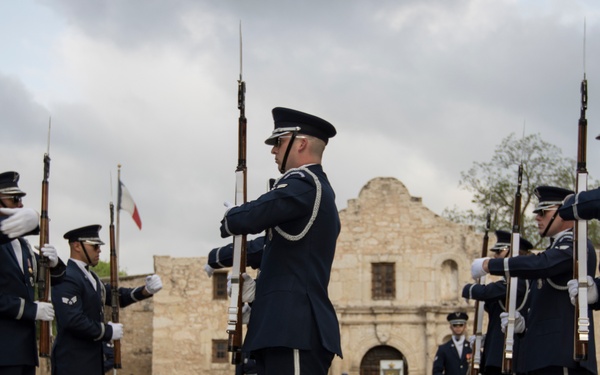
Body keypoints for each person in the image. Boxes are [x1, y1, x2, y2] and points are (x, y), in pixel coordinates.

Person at [218, 107, 342, 374]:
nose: (273, 150)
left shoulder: (305, 183)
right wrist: (260, 294)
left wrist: (232, 216)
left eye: (279, 142)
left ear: (301, 143)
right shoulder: (308, 186)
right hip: (283, 326)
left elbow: (251, 217)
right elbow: (290, 259)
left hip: (294, 326)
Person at [471, 186, 597, 375]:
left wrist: (491, 265)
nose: (537, 217)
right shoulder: (555, 249)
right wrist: (523, 325)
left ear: (563, 212)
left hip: (561, 356)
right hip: (541, 357)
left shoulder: (576, 245)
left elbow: (542, 264)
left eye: (543, 212)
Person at [51, 224, 163, 375]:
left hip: (91, 363)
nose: (99, 250)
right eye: (95, 246)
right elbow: (72, 320)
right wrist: (107, 331)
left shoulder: (92, 278)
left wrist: (145, 290)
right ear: (77, 246)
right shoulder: (67, 276)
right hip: (73, 363)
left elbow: (117, 296)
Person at [0, 171, 66, 375]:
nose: (20, 205)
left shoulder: (24, 246)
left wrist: (54, 264)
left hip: (24, 351)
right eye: (14, 199)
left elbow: (53, 279)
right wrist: (29, 310)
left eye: (21, 200)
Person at [462, 230, 533, 375]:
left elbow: (487, 292)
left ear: (512, 253)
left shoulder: (520, 280)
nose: (495, 256)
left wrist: (470, 289)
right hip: (494, 356)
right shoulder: (505, 282)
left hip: (512, 356)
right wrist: (485, 338)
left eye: (499, 251)